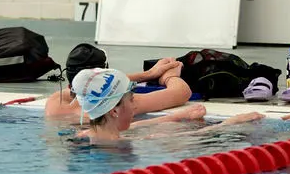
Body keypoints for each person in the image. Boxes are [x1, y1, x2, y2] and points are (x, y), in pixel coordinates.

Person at [70, 68, 261, 144]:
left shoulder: (86, 134)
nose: (134, 105)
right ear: (114, 110)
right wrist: (229, 124)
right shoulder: (120, 143)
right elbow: (193, 135)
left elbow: (136, 126)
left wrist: (178, 116)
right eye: (132, 100)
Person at [45, 43, 192, 120]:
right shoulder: (115, 106)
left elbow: (93, 83)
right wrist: (170, 75)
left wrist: (148, 74)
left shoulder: (55, 103)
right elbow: (181, 93)